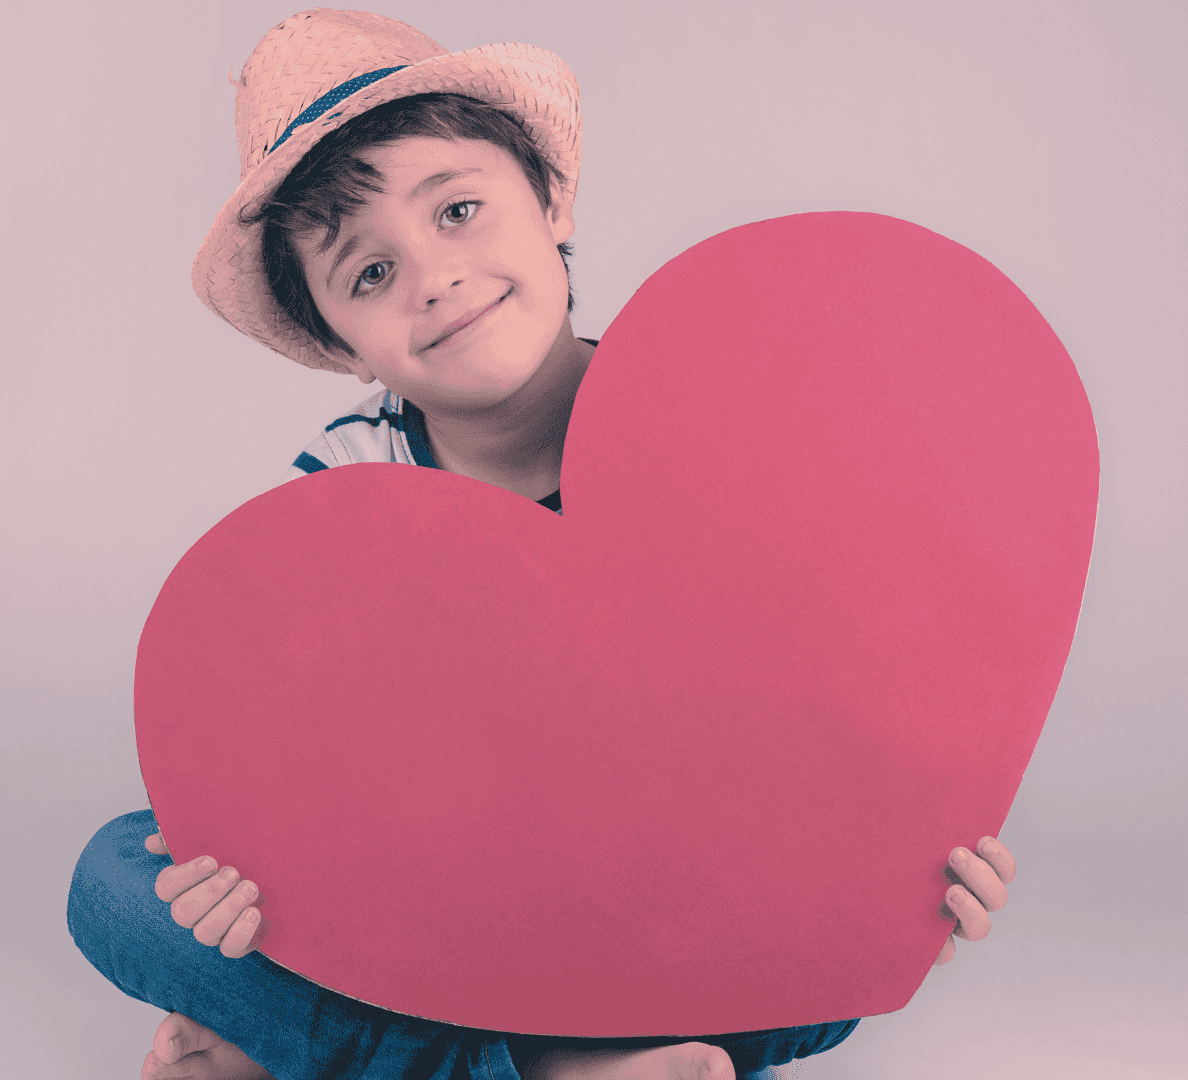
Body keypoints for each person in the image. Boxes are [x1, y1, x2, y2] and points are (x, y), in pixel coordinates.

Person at [70, 10, 1017, 1080]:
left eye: (459, 211)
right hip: (446, 891)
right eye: (368, 276)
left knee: (835, 966)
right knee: (115, 879)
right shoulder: (344, 491)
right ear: (340, 342)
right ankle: (559, 1068)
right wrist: (235, 868)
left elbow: (827, 685)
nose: (431, 276)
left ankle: (316, 1052)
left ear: (552, 200)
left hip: (670, 882)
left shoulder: (715, 435)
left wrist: (911, 851)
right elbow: (326, 772)